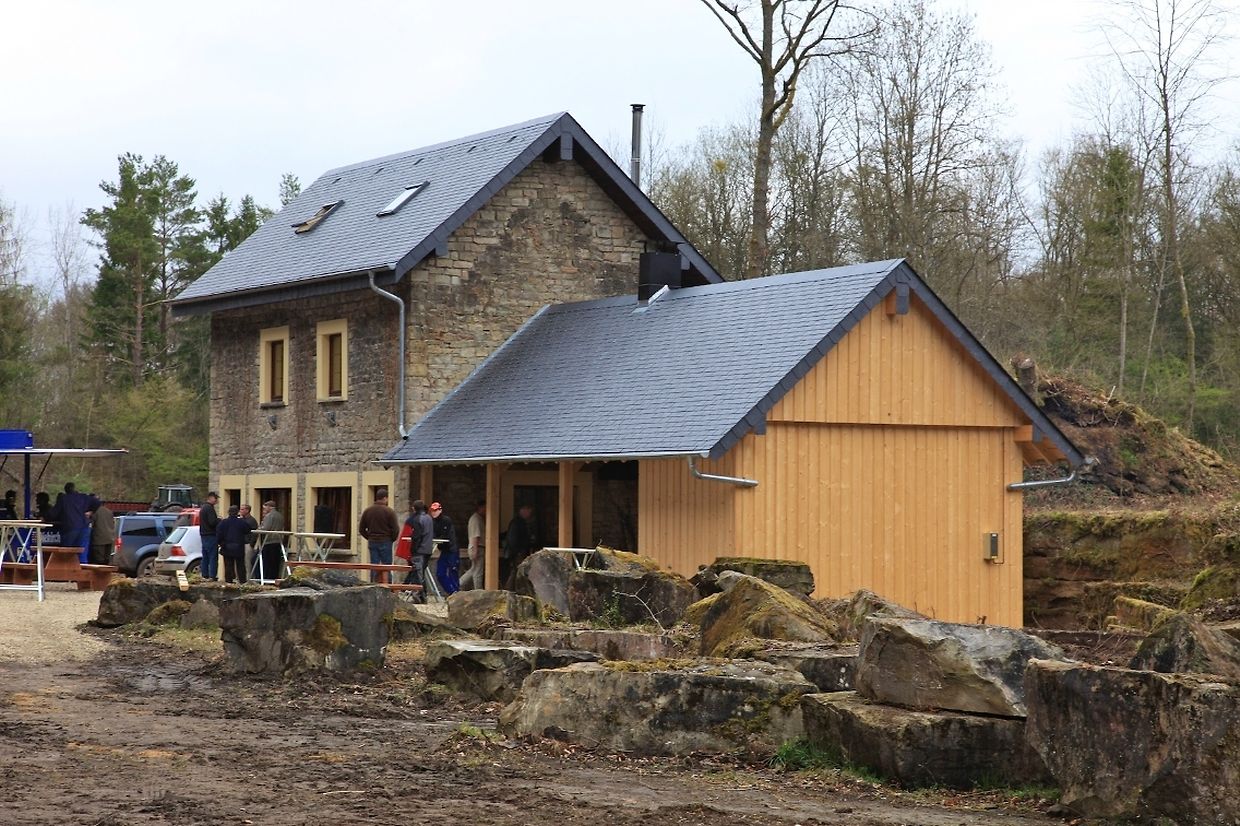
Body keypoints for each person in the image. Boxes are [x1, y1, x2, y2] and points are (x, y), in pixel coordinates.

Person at [50, 483, 100, 550]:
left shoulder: (63, 499)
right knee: (82, 551)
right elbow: (97, 502)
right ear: (74, 488)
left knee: (66, 551)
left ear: (65, 490)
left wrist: (45, 517)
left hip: (70, 527)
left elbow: (54, 513)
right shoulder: (83, 497)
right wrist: (91, 512)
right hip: (84, 526)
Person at [402, 499, 434, 600]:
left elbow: (417, 536)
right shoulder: (429, 518)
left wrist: (413, 549)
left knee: (417, 574)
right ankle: (423, 596)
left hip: (419, 550)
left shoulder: (418, 519)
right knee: (421, 573)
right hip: (428, 549)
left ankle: (419, 596)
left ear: (414, 509)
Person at [357, 488, 399, 566]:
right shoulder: (389, 511)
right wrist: (391, 539)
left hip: (372, 541)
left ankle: (374, 575)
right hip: (386, 540)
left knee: (374, 565)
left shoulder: (368, 511)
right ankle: (385, 575)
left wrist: (369, 537)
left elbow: (361, 529)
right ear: (385, 498)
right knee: (386, 566)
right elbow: (395, 529)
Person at [502, 504, 537, 590]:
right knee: (516, 571)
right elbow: (513, 539)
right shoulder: (517, 523)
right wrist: (518, 552)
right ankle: (509, 590)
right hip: (517, 552)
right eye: (529, 512)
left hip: (518, 552)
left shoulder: (520, 522)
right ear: (523, 511)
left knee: (517, 572)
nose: (530, 514)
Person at [430, 502, 460, 595]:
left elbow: (446, 535)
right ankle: (451, 592)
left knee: (453, 571)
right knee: (440, 574)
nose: (434, 512)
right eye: (432, 510)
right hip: (444, 550)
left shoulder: (446, 520)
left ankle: (456, 593)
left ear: (440, 510)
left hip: (452, 549)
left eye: (436, 510)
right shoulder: (433, 522)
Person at [217, 505, 248, 584]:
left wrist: (221, 543)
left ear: (228, 512)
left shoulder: (223, 522)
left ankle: (229, 581)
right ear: (237, 512)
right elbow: (248, 530)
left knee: (228, 565)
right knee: (240, 565)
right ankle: (242, 581)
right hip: (239, 547)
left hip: (226, 547)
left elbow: (219, 535)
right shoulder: (241, 522)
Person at [459, 500, 486, 591]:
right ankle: (478, 591)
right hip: (478, 547)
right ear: (481, 507)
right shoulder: (476, 519)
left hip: (477, 547)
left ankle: (458, 584)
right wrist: (475, 549)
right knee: (478, 571)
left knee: (474, 569)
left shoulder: (478, 518)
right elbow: (475, 536)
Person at [258, 500, 285, 581]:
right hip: (278, 540)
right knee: (275, 562)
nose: (264, 509)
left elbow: (266, 528)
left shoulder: (269, 516)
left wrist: (259, 528)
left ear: (269, 507)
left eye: (265, 508)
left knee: (268, 562)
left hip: (269, 540)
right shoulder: (280, 515)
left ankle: (268, 579)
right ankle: (274, 579)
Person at [198, 491, 220, 581]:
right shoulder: (209, 508)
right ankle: (212, 575)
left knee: (205, 556)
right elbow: (212, 522)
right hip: (210, 535)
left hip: (204, 535)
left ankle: (205, 574)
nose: (217, 501)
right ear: (210, 498)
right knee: (213, 556)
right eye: (216, 498)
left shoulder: (203, 508)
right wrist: (219, 520)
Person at [89, 501, 116, 566]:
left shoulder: (95, 512)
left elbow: (91, 525)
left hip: (99, 539)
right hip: (110, 538)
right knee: (107, 559)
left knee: (99, 560)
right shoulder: (109, 511)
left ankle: (99, 572)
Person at [239, 503, 258, 579]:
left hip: (247, 544)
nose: (240, 511)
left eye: (242, 509)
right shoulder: (241, 520)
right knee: (241, 563)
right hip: (241, 543)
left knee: (248, 563)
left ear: (247, 510)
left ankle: (249, 579)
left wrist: (251, 544)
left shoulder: (252, 520)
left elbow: (254, 533)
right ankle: (241, 579)